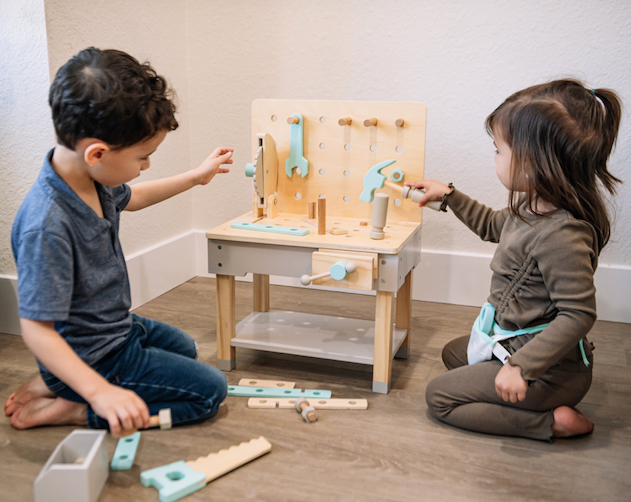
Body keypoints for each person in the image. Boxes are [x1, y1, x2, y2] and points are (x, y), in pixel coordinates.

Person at [4, 47, 232, 437]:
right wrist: (100, 392)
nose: (146, 167)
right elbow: (37, 330)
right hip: (94, 357)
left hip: (116, 329)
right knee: (210, 392)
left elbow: (137, 197)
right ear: (97, 152)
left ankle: (58, 384)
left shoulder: (91, 177)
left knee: (185, 348)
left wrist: (196, 176)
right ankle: (73, 408)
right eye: (143, 157)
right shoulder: (47, 225)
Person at [416, 80, 621, 441]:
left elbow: (578, 314)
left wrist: (521, 367)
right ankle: (516, 387)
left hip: (552, 371)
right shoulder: (532, 205)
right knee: (454, 353)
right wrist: (449, 196)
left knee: (440, 397)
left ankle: (550, 422)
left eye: (499, 150)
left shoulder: (562, 235)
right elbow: (492, 225)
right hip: (514, 344)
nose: (495, 158)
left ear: (535, 160)